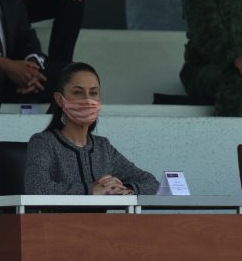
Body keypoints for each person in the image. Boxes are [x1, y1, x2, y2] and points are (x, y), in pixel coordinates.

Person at [25, 62, 159, 195]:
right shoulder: (43, 142)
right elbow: (36, 188)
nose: (88, 100)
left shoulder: (103, 147)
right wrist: (90, 190)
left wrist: (124, 189)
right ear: (59, 100)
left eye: (93, 93)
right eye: (78, 92)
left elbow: (152, 183)